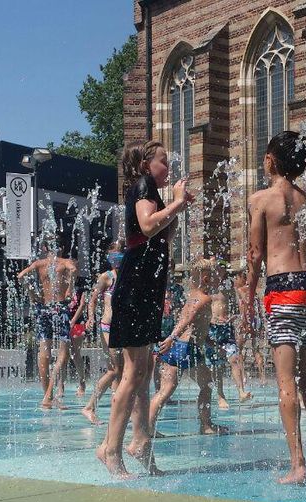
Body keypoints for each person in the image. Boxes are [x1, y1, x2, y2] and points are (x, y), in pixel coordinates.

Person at [243, 130, 306, 485]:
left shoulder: (261, 200)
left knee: (286, 381)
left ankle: (298, 464)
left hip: (282, 291)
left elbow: (255, 255)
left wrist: (249, 298)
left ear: (270, 160)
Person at [98, 140, 191, 478]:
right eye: (164, 161)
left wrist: (177, 206)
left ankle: (138, 441)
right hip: (136, 287)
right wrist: (177, 204)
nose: (169, 168)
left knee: (142, 370)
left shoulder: (152, 190)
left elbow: (162, 237)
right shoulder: (142, 186)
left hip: (146, 287)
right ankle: (110, 450)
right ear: (146, 164)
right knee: (133, 372)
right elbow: (149, 225)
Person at [145, 259, 228, 440]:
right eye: (216, 278)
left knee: (193, 386)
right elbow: (187, 321)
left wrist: (211, 343)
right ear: (206, 279)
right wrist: (171, 338)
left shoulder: (193, 295)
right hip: (186, 348)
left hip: (184, 347)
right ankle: (204, 425)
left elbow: (196, 327)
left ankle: (148, 427)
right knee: (176, 389)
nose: (219, 281)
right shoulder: (205, 299)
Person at [17, 241, 78, 410]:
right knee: (63, 354)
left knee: (43, 351)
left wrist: (32, 294)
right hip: (59, 307)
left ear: (44, 248)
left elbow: (21, 276)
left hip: (42, 308)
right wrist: (69, 287)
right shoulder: (65, 262)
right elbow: (73, 271)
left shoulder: (39, 264)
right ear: (62, 247)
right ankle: (49, 394)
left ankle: (47, 396)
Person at [79, 243, 124, 424]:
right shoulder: (107, 277)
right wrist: (90, 317)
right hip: (108, 327)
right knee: (114, 370)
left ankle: (117, 409)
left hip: (123, 328)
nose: (116, 258)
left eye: (119, 254)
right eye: (112, 254)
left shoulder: (127, 276)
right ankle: (89, 407)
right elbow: (93, 298)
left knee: (123, 371)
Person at [209, 264, 252, 408]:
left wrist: (234, 317)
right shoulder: (208, 288)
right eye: (218, 269)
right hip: (213, 329)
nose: (221, 272)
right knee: (218, 364)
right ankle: (220, 396)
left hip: (227, 327)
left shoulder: (228, 288)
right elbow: (201, 309)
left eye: (222, 269)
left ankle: (241, 391)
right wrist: (210, 319)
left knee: (234, 358)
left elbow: (235, 306)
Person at [234, 271, 267, 386]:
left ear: (241, 278)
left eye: (236, 278)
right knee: (256, 350)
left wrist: (243, 321)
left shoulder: (240, 290)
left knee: (238, 349)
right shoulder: (254, 291)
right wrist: (261, 323)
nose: (235, 281)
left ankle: (243, 377)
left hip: (246, 321)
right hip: (256, 321)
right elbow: (258, 308)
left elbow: (245, 305)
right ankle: (262, 378)